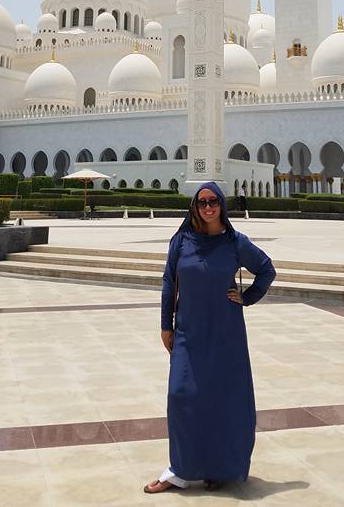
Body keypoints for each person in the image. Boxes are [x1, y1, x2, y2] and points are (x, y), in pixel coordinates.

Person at [144, 181, 276, 494]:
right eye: (202, 202)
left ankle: (219, 466)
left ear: (222, 205)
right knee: (181, 395)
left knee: (222, 397)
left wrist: (247, 297)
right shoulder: (182, 240)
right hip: (189, 330)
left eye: (213, 201)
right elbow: (168, 282)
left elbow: (267, 269)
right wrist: (166, 325)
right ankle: (179, 469)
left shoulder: (234, 241)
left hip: (225, 331)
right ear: (194, 206)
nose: (208, 208)